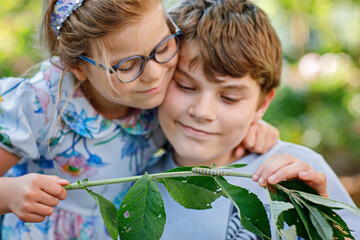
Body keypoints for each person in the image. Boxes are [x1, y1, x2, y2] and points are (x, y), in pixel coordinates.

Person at [0, 0, 280, 239]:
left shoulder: (157, 98)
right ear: (78, 67)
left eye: (162, 47)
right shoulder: (39, 104)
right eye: (128, 65)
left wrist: (250, 124)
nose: (155, 75)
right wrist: (11, 194)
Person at [148, 0, 360, 239]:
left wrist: (322, 219)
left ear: (262, 104)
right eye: (185, 86)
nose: (202, 111)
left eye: (229, 97)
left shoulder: (301, 172)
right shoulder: (133, 179)